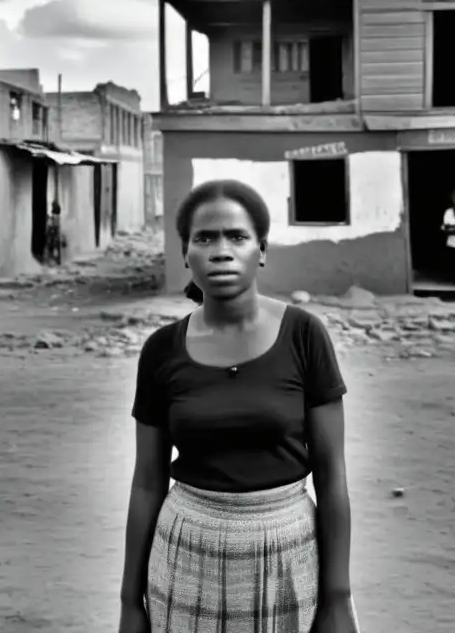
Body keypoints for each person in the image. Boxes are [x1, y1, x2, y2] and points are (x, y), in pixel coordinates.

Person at [119, 179, 359, 633]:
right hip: (186, 556)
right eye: (204, 238)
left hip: (288, 554)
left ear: (261, 251)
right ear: (185, 253)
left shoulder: (304, 336)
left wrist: (337, 597)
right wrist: (131, 603)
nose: (221, 251)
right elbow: (147, 482)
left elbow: (332, 477)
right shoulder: (161, 351)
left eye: (237, 237)